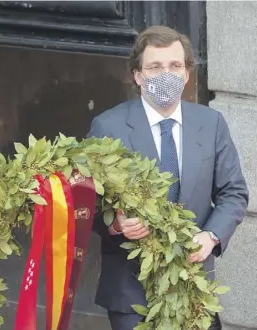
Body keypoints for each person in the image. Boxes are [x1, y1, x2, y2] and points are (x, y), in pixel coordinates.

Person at [87, 26, 249, 330]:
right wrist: (115, 223)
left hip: (194, 285)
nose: (167, 74)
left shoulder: (211, 123)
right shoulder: (108, 127)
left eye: (175, 65)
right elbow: (85, 204)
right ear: (137, 75)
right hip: (131, 293)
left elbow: (234, 193)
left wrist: (211, 236)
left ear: (187, 73)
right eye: (155, 67)